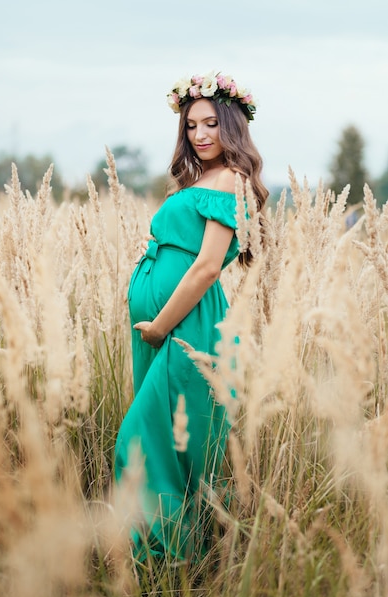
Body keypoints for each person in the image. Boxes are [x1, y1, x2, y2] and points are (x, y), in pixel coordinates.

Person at [114, 71, 268, 563]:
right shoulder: (198, 179)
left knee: (143, 443)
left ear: (232, 128)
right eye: (191, 127)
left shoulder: (231, 178)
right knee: (168, 447)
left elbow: (204, 269)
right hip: (165, 327)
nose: (200, 135)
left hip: (188, 327)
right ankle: (173, 565)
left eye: (210, 125)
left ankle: (167, 559)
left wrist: (160, 325)